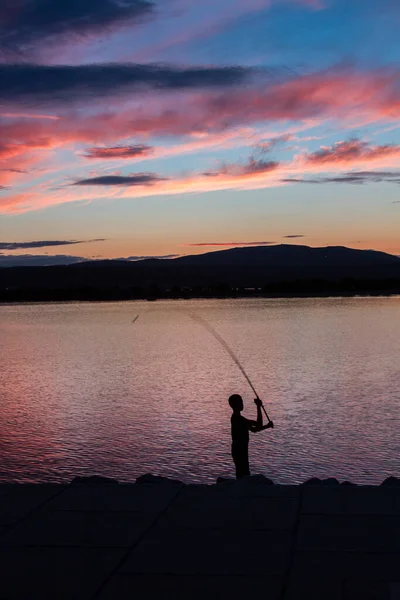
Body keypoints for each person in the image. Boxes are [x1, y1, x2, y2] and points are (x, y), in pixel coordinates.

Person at [229, 394, 274, 479]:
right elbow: (258, 425)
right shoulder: (239, 420)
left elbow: (254, 429)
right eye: (240, 402)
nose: (242, 404)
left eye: (242, 402)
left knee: (242, 473)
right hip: (239, 450)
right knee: (243, 473)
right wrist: (258, 407)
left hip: (239, 449)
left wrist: (267, 426)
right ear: (235, 405)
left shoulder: (238, 418)